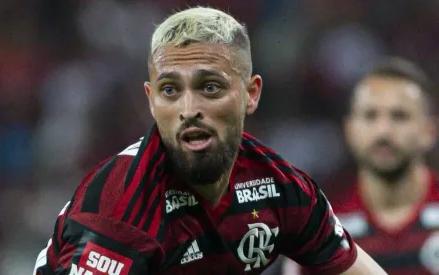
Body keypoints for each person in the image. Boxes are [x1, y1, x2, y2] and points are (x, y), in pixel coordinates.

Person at [33, 7, 386, 275]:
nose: (189, 109)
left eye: (209, 87)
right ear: (151, 101)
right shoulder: (120, 217)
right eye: (170, 90)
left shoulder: (279, 188)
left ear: (251, 93)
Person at [280, 57, 439, 275]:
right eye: (370, 116)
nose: (383, 131)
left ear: (429, 131)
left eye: (399, 116)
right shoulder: (319, 228)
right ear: (350, 129)